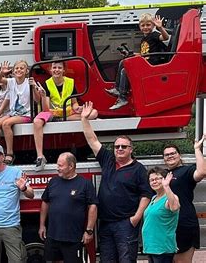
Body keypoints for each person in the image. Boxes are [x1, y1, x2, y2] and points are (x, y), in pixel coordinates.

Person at [80, 101, 152, 262]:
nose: (119, 149)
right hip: (105, 223)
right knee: (107, 260)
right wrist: (84, 120)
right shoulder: (108, 160)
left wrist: (136, 218)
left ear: (131, 149)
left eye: (123, 147)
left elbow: (146, 195)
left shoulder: (138, 169)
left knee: (126, 260)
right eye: (117, 146)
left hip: (125, 224)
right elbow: (92, 140)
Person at [32, 59, 98, 171]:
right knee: (37, 122)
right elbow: (46, 109)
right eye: (54, 67)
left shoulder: (70, 82)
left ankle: (64, 119)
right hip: (51, 113)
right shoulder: (46, 84)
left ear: (64, 70)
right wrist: (43, 96)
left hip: (67, 113)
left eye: (59, 67)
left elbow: (74, 103)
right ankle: (40, 156)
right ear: (50, 69)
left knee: (94, 113)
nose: (56, 70)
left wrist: (78, 108)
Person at [38, 152, 98, 263]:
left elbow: (93, 207)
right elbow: (45, 202)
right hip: (52, 236)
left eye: (60, 166)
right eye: (57, 165)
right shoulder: (53, 182)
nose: (57, 168)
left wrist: (89, 231)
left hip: (73, 238)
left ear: (71, 166)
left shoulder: (84, 184)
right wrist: (42, 225)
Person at [106, 13, 169, 110]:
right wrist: (132, 55)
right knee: (123, 62)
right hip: (145, 63)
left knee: (126, 71)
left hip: (151, 66)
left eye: (148, 25)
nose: (145, 27)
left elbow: (165, 37)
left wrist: (160, 28)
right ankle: (117, 89)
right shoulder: (144, 39)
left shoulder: (154, 35)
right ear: (139, 27)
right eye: (143, 25)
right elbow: (145, 54)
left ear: (153, 25)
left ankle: (123, 97)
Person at [162, 135, 206, 263]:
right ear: (163, 159)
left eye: (173, 153)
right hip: (166, 225)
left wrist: (197, 149)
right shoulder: (163, 175)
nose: (170, 156)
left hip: (184, 223)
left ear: (179, 155)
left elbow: (202, 172)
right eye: (166, 155)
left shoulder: (187, 171)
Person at [0, 60, 36, 165]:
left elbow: (37, 99)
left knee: (6, 124)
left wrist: (34, 87)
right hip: (13, 113)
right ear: (13, 71)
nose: (19, 70)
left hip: (26, 114)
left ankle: (10, 153)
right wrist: (2, 72)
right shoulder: (11, 82)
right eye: (16, 68)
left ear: (26, 71)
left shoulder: (28, 82)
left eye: (21, 68)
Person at [142, 167, 180, 263]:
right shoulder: (154, 198)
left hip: (163, 248)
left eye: (158, 179)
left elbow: (174, 207)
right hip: (151, 247)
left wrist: (166, 186)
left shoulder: (170, 198)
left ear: (164, 180)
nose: (154, 182)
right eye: (151, 180)